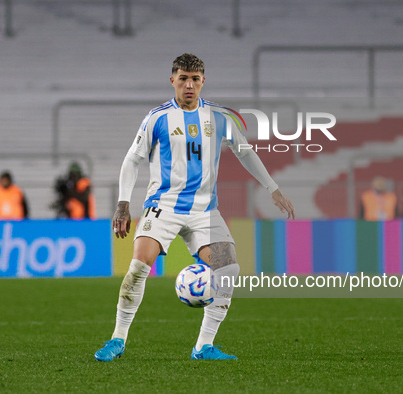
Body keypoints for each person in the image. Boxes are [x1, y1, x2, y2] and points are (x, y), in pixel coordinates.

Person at [94, 53, 295, 362]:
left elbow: (246, 153)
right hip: (164, 205)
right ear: (172, 80)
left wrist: (273, 188)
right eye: (183, 78)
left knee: (227, 268)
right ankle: (117, 340)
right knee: (138, 266)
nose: (189, 85)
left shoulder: (219, 118)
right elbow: (133, 159)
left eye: (195, 79)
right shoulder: (158, 117)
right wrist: (123, 204)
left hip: (205, 210)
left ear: (203, 81)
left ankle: (203, 347)